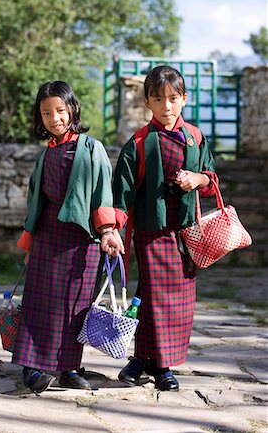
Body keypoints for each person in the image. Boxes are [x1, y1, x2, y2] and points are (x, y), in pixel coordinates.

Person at [12, 80, 124, 393]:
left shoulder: (92, 149)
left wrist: (107, 231)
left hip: (81, 241)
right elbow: (36, 203)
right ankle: (30, 367)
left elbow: (103, 192)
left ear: (72, 108)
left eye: (60, 110)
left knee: (75, 306)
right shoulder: (43, 157)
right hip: (47, 237)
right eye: (46, 113)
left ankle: (69, 368)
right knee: (37, 303)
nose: (54, 118)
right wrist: (30, 245)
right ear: (40, 118)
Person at [112, 65, 219, 391]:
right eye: (159, 99)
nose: (167, 106)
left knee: (173, 298)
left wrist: (196, 179)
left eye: (173, 98)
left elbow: (211, 179)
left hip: (186, 232)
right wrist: (111, 228)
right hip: (151, 229)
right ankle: (162, 367)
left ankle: (142, 359)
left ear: (184, 99)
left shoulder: (195, 138)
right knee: (157, 295)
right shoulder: (141, 142)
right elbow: (122, 191)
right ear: (148, 102)